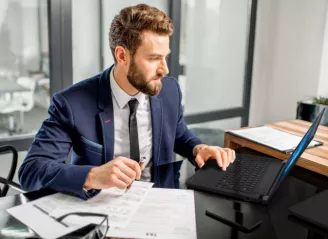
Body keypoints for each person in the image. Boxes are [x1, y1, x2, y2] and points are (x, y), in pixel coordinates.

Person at [18, 4, 235, 201]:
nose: (165, 69)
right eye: (153, 58)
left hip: (162, 204)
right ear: (122, 56)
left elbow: (178, 133)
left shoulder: (169, 90)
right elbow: (31, 171)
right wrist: (93, 176)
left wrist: (198, 148)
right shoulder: (72, 103)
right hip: (101, 212)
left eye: (165, 57)